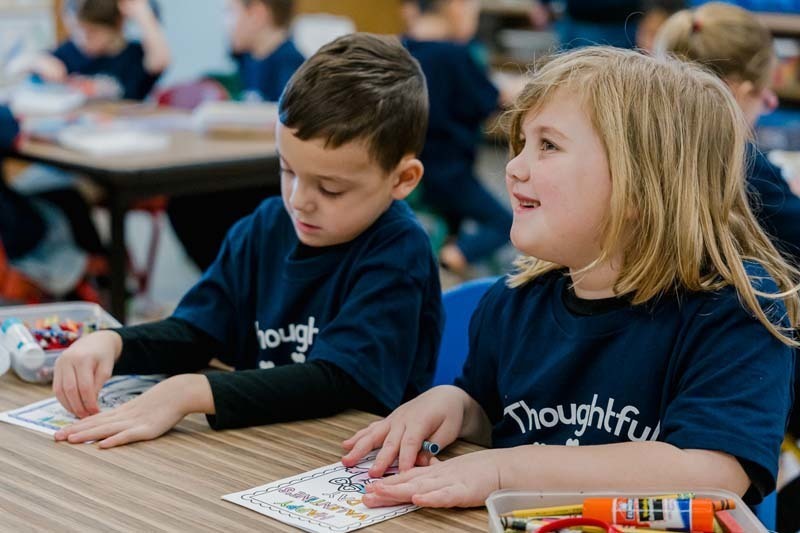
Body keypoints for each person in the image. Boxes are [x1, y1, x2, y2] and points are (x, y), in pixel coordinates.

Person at [342, 46, 796, 509]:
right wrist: (452, 406)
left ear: (639, 184)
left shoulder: (736, 314)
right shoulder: (513, 301)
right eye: (521, 144)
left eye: (548, 145)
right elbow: (493, 410)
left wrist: (507, 470)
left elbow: (711, 474)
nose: (514, 167)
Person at [51, 34, 444, 449]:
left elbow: (338, 380)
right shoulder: (265, 227)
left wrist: (191, 393)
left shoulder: (399, 251)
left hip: (338, 462)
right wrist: (113, 343)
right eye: (287, 170)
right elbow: (197, 332)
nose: (298, 201)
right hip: (262, 449)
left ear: (402, 179)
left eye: (330, 189)